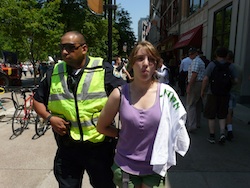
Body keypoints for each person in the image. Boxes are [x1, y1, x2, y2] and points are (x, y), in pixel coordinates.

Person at [33, 31, 123, 188]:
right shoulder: (54, 72)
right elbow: (37, 101)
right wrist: (50, 119)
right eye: (62, 47)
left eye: (70, 47)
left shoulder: (102, 69)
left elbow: (126, 96)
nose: (64, 52)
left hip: (99, 148)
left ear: (84, 48)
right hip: (67, 147)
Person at [97, 41, 190, 188]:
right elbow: (101, 127)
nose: (145, 64)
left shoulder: (166, 94)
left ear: (156, 65)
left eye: (151, 59)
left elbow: (177, 125)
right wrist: (123, 134)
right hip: (125, 167)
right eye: (140, 59)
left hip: (156, 167)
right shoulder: (119, 94)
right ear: (132, 63)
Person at [201, 47, 237, 144]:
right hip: (225, 94)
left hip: (212, 93)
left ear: (216, 55)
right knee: (222, 115)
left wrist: (203, 90)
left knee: (211, 115)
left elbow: (205, 78)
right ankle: (222, 134)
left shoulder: (212, 65)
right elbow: (235, 80)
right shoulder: (230, 66)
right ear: (226, 56)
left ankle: (212, 136)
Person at [186, 48, 205, 132]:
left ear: (195, 53)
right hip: (199, 83)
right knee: (198, 104)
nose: (190, 56)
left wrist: (189, 85)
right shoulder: (200, 61)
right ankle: (197, 123)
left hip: (195, 83)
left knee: (191, 104)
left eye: (191, 54)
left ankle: (192, 125)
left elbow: (194, 73)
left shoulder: (196, 61)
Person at [226, 50, 242, 141]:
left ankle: (229, 130)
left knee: (228, 111)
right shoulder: (239, 68)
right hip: (237, 92)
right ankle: (228, 126)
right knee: (230, 111)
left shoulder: (229, 68)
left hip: (230, 92)